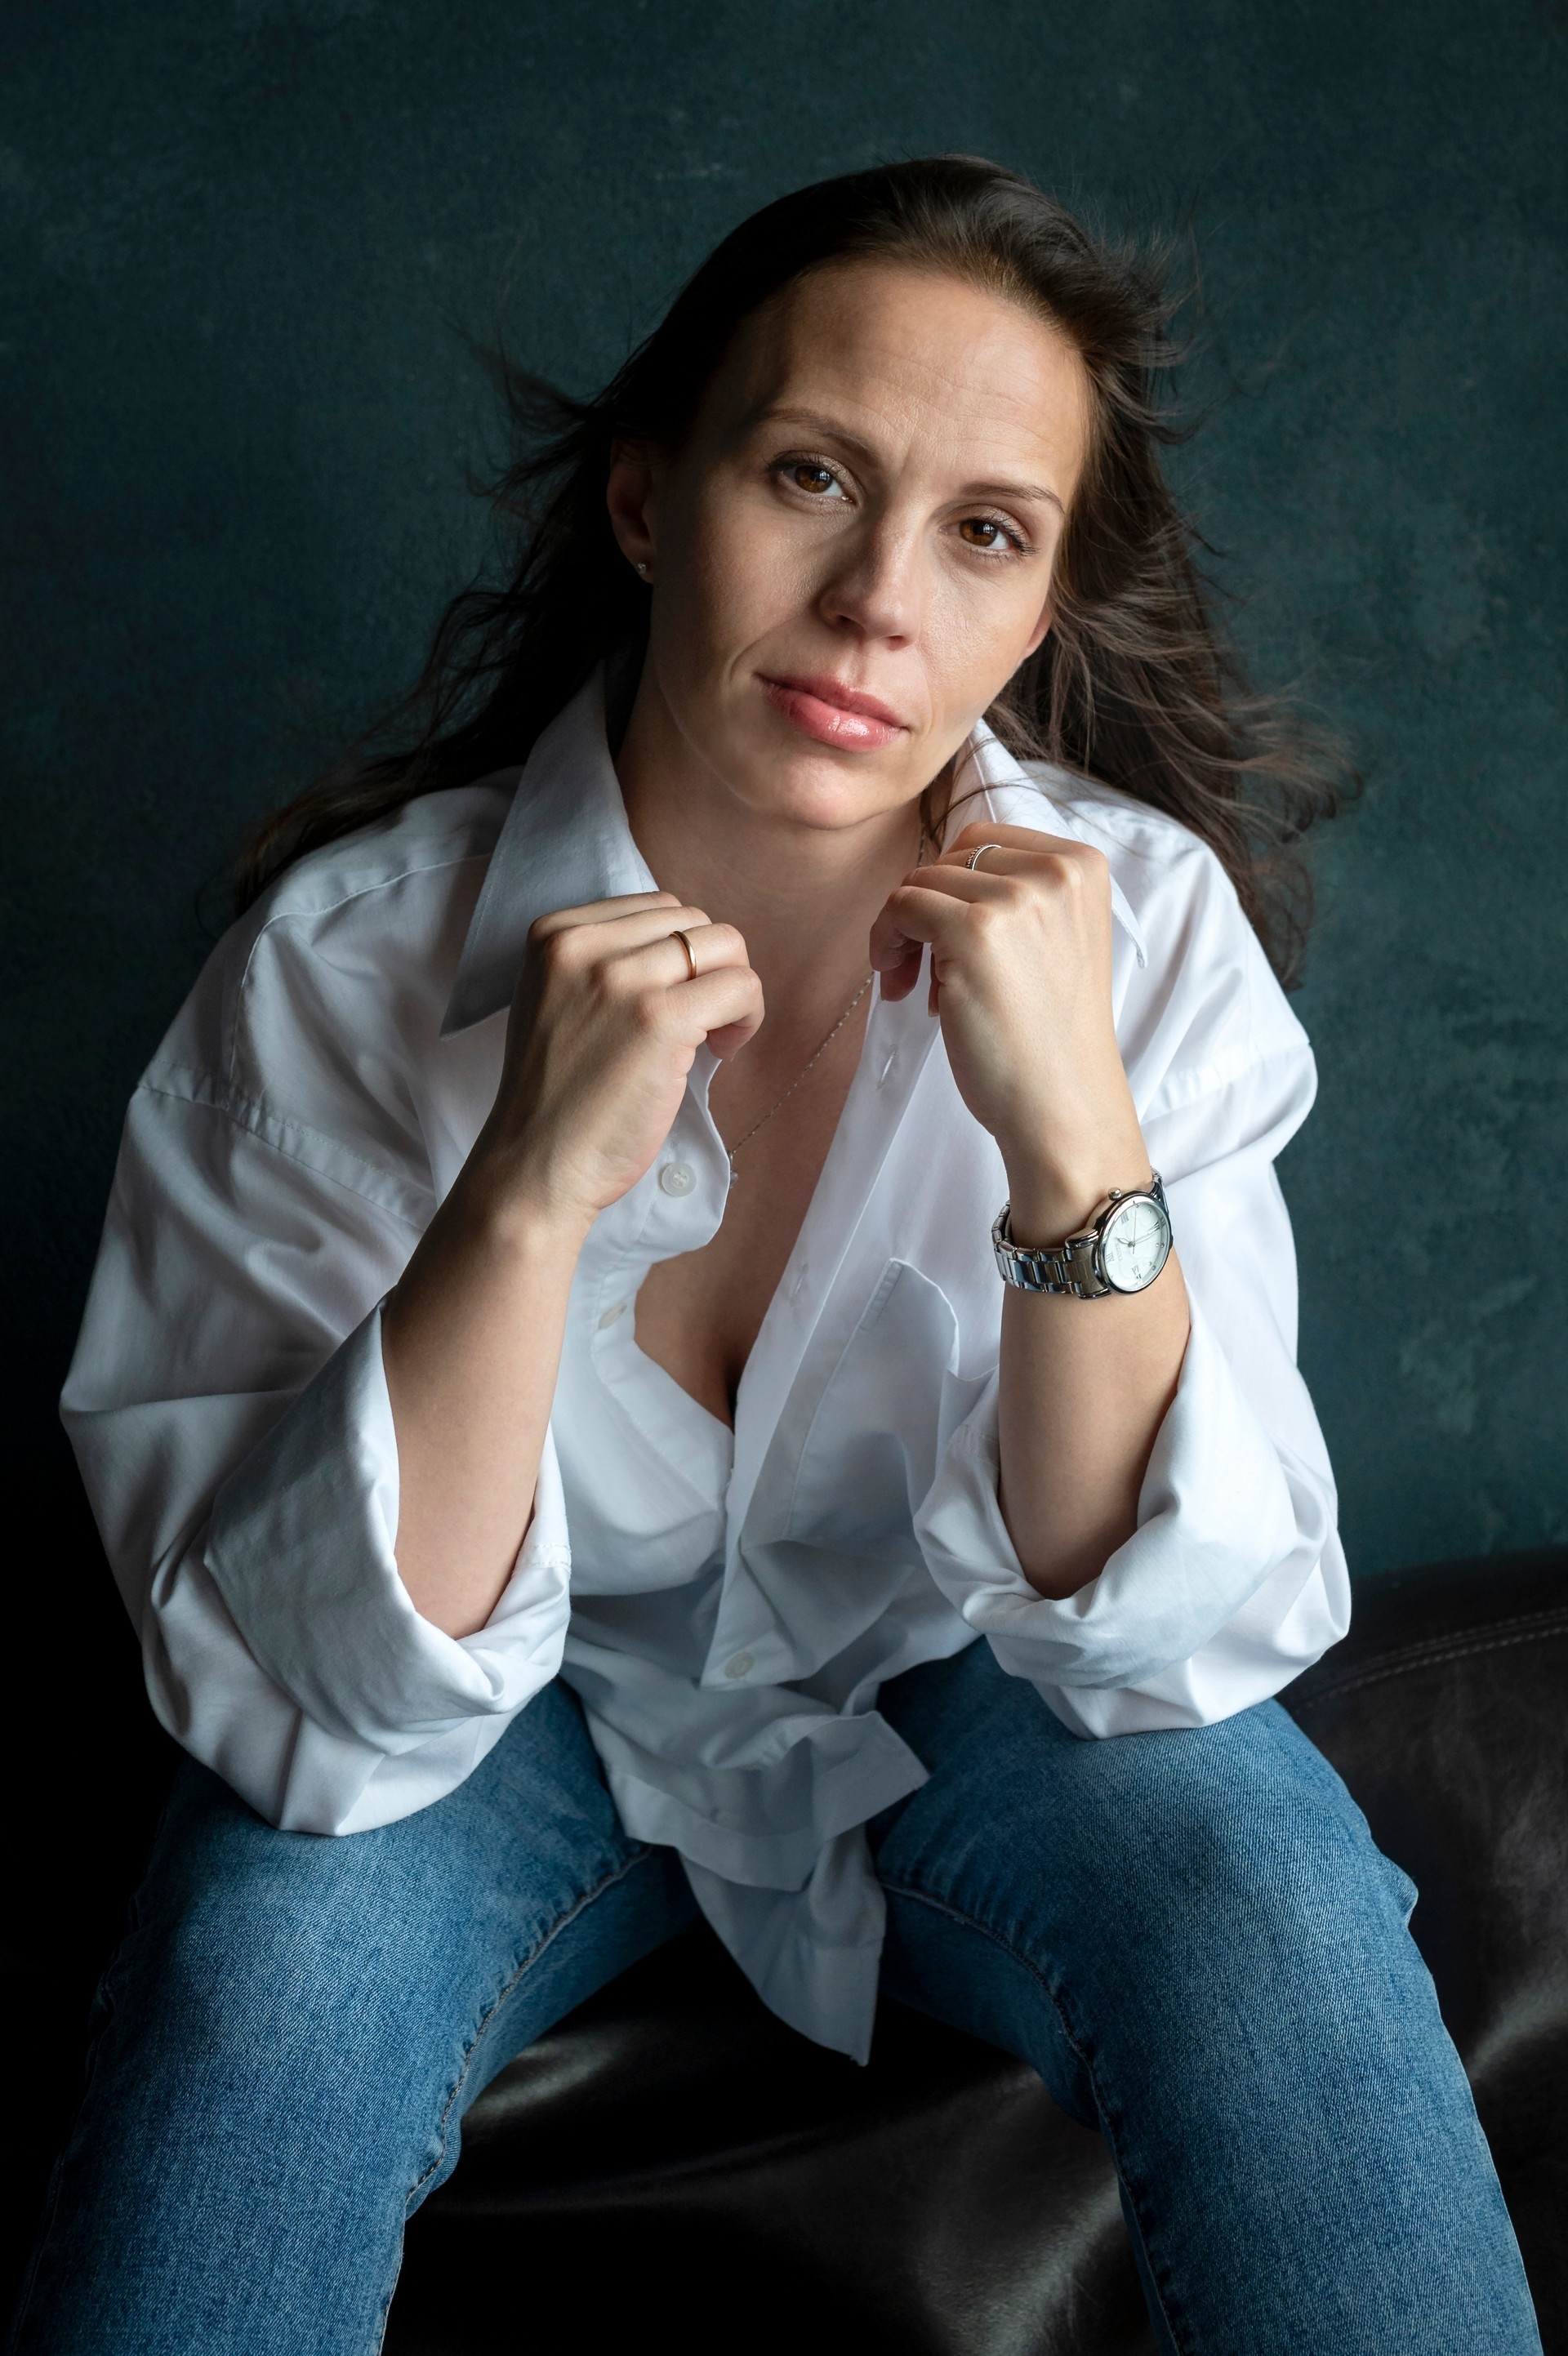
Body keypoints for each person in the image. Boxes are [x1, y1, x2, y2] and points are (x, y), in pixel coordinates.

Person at [11, 158, 1540, 2354]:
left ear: (1042, 609)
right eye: (811, 474)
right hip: (500, 1719)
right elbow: (319, 1710)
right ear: (651, 500)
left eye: (985, 532)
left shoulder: (1144, 936)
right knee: (264, 1963)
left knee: (1269, 1891)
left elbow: (1170, 1640)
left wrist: (1071, 1141)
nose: (878, 603)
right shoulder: (341, 977)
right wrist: (524, 1191)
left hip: (980, 1688)